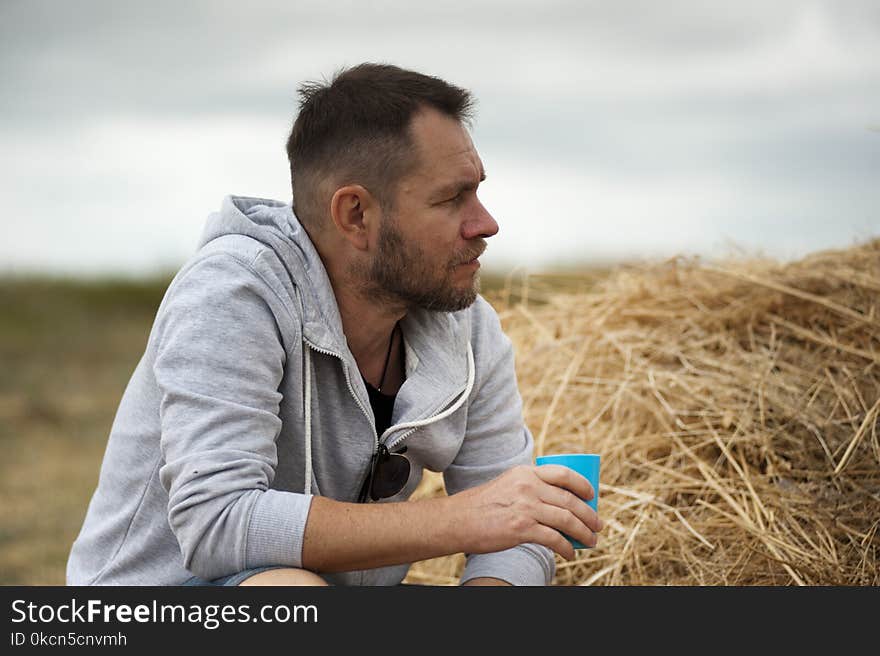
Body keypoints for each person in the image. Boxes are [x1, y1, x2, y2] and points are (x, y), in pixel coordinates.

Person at [66, 63, 603, 587]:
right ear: (355, 216)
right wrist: (464, 519)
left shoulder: (467, 325)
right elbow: (217, 524)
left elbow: (516, 527)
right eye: (451, 199)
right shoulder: (235, 291)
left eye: (477, 190)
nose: (485, 224)